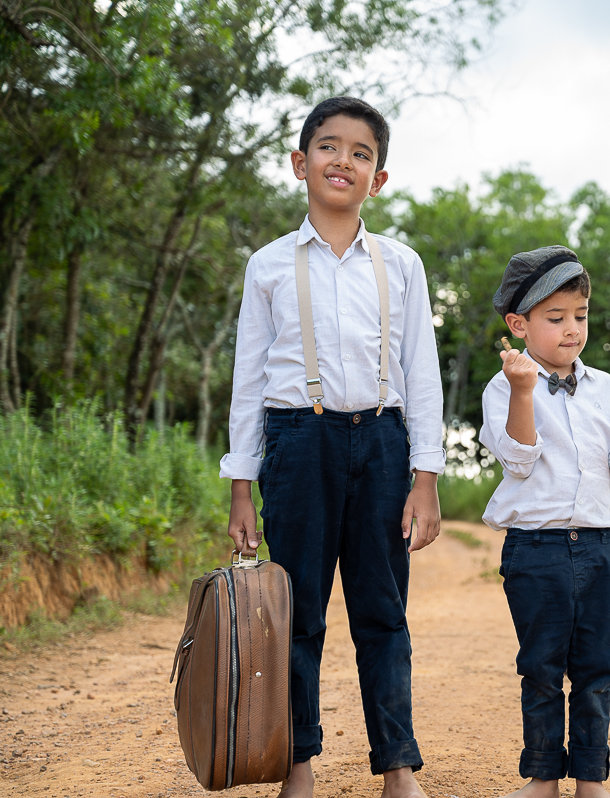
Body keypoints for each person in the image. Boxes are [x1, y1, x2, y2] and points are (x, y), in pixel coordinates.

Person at [221, 96, 445, 798]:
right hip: (297, 442)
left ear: (379, 178)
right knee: (298, 613)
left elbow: (422, 372)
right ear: (300, 163)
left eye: (360, 152)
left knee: (383, 611)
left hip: (382, 440)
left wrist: (426, 476)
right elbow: (249, 381)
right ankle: (298, 764)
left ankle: (398, 766)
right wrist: (240, 488)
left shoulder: (401, 264)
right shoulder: (268, 266)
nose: (342, 160)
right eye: (328, 146)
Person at [479, 245, 610, 798]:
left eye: (581, 315)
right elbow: (519, 459)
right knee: (543, 669)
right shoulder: (503, 388)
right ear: (518, 325)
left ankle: (591, 780)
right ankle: (543, 778)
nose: (572, 329)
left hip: (600, 548)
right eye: (555, 318)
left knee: (597, 669)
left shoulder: (606, 388)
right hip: (537, 549)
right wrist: (524, 391)